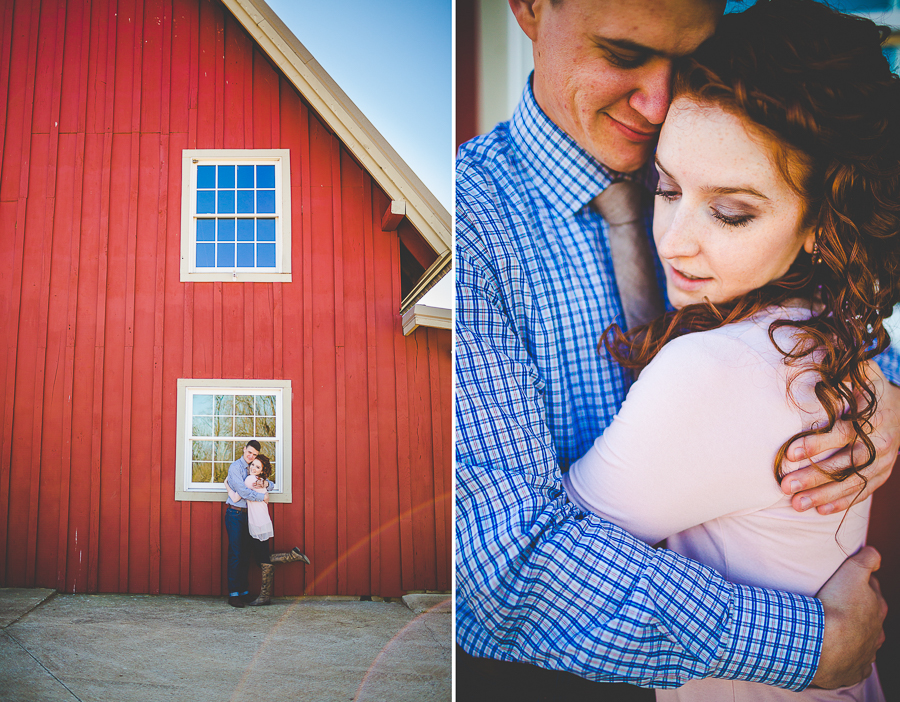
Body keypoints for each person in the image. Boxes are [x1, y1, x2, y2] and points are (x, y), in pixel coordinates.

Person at [455, 0, 900, 696]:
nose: (659, 100)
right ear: (531, 8)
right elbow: (500, 562)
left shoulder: (726, 135)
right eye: (624, 53)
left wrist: (880, 389)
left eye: (689, 60)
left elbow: (829, 295)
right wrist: (807, 641)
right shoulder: (466, 227)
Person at [226, 453, 311, 607]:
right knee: (261, 557)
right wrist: (266, 486)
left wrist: (226, 484)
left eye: (257, 467)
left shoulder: (250, 479)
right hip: (263, 521)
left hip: (257, 522)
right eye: (252, 465)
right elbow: (268, 486)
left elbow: (237, 497)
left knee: (262, 559)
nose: (253, 468)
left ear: (262, 471)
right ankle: (292, 556)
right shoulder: (259, 481)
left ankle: (265, 595)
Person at [224, 439, 272, 608]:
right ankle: (233, 594)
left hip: (249, 516)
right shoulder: (235, 468)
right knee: (236, 553)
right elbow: (243, 491)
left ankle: (243, 591)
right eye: (249, 452)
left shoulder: (255, 467)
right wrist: (262, 496)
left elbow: (268, 482)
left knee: (245, 553)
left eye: (254, 454)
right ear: (244, 449)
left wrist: (266, 484)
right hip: (235, 514)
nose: (251, 456)